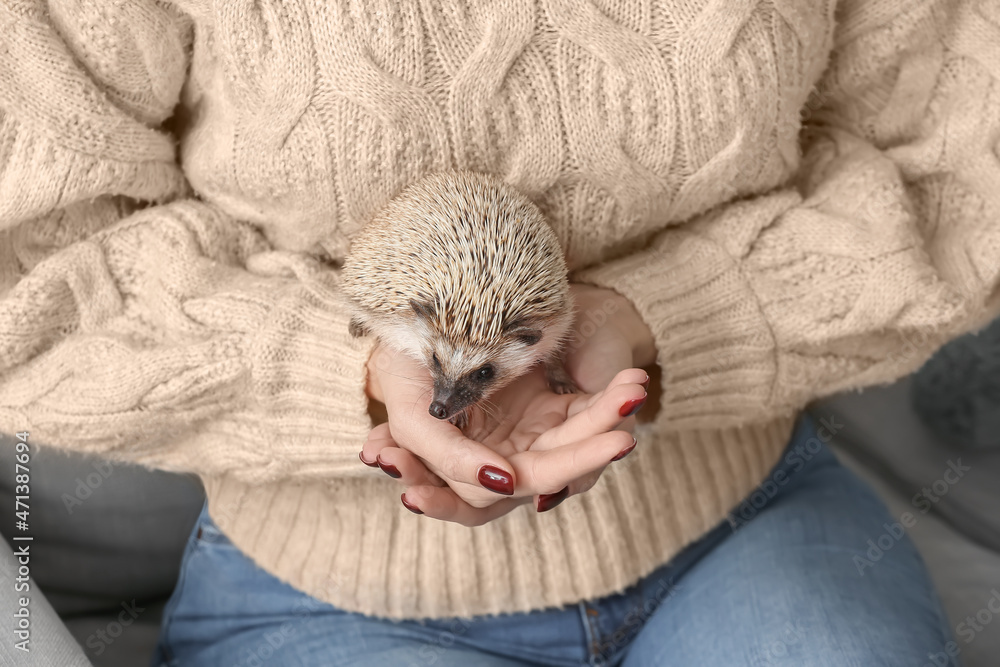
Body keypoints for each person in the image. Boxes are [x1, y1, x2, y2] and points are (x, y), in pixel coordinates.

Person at [1, 1, 997, 664]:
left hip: (747, 520)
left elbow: (961, 169)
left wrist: (662, 318)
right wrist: (350, 366)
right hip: (314, 588)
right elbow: (32, 270)